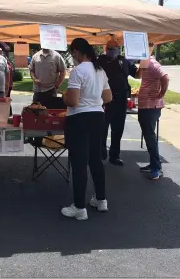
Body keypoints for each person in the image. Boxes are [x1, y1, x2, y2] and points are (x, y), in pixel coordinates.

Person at [61, 38, 112, 221]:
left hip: (79, 119)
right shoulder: (100, 70)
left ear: (76, 51)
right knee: (96, 161)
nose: (72, 56)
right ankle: (101, 199)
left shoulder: (78, 71)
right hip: (98, 117)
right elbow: (108, 97)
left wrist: (64, 97)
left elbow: (73, 101)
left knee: (80, 164)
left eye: (73, 53)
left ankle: (79, 207)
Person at [98, 35, 142, 166]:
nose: (112, 50)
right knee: (102, 128)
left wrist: (145, 60)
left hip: (120, 99)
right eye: (110, 48)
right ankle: (101, 153)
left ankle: (114, 155)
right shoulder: (100, 61)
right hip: (104, 100)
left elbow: (137, 74)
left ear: (119, 49)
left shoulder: (125, 61)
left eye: (115, 48)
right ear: (105, 49)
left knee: (118, 129)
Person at [138, 45, 169, 180]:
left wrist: (161, 93)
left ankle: (156, 168)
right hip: (146, 105)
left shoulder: (152, 63)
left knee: (150, 137)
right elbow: (138, 75)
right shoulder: (145, 63)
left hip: (151, 106)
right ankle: (153, 164)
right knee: (148, 135)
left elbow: (165, 77)